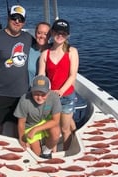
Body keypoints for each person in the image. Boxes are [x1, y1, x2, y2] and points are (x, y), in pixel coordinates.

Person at [0, 5, 32, 134]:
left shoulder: (27, 38)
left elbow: (43, 45)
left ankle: (18, 148)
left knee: (19, 124)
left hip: (22, 92)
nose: (17, 21)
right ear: (8, 18)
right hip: (0, 93)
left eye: (20, 19)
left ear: (24, 22)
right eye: (14, 17)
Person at [38, 19, 79, 151]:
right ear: (52, 32)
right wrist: (43, 92)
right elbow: (41, 77)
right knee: (52, 129)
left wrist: (61, 91)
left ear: (67, 35)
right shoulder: (45, 54)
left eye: (64, 33)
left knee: (65, 129)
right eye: (57, 32)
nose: (60, 35)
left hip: (67, 97)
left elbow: (73, 75)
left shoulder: (72, 52)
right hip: (50, 98)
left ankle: (66, 153)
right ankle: (53, 156)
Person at [14, 75, 61, 157]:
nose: (39, 98)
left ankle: (46, 152)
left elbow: (56, 120)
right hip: (30, 126)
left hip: (44, 122)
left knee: (56, 132)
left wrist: (36, 129)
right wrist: (23, 140)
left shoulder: (54, 97)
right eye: (36, 94)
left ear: (49, 91)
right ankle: (41, 149)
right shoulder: (24, 99)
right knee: (36, 154)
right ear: (31, 91)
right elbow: (21, 123)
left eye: (43, 94)